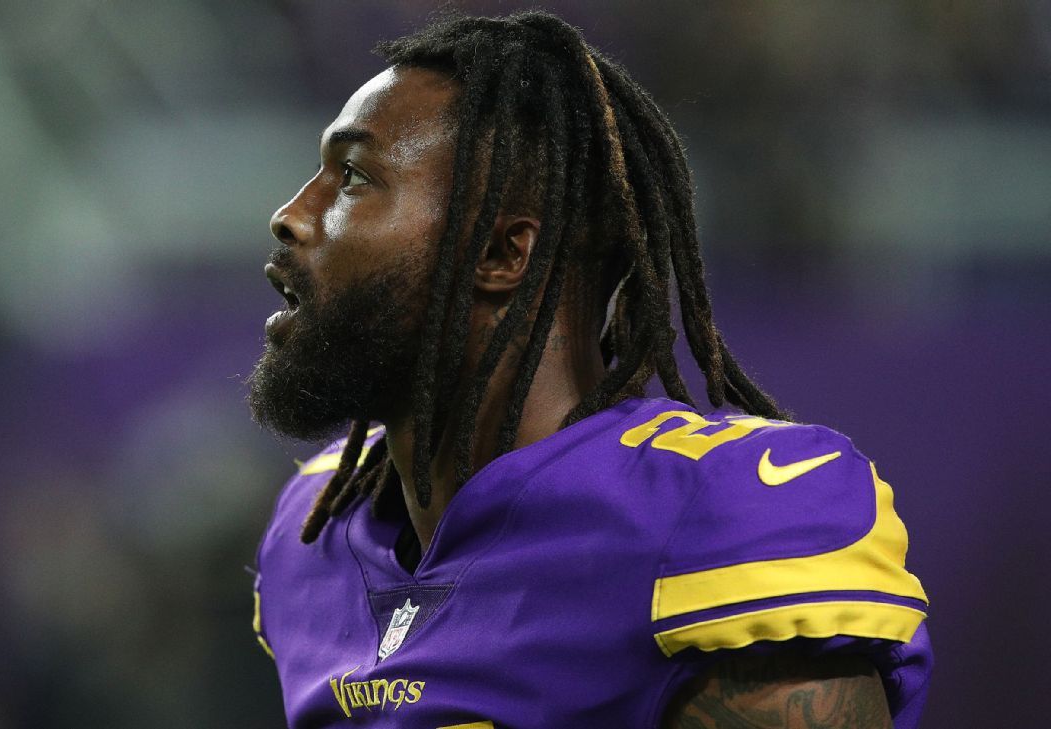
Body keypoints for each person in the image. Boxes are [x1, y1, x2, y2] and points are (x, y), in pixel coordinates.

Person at [246, 11, 931, 728]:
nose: (291, 214)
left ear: (502, 253)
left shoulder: (712, 512)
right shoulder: (313, 532)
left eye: (352, 177)